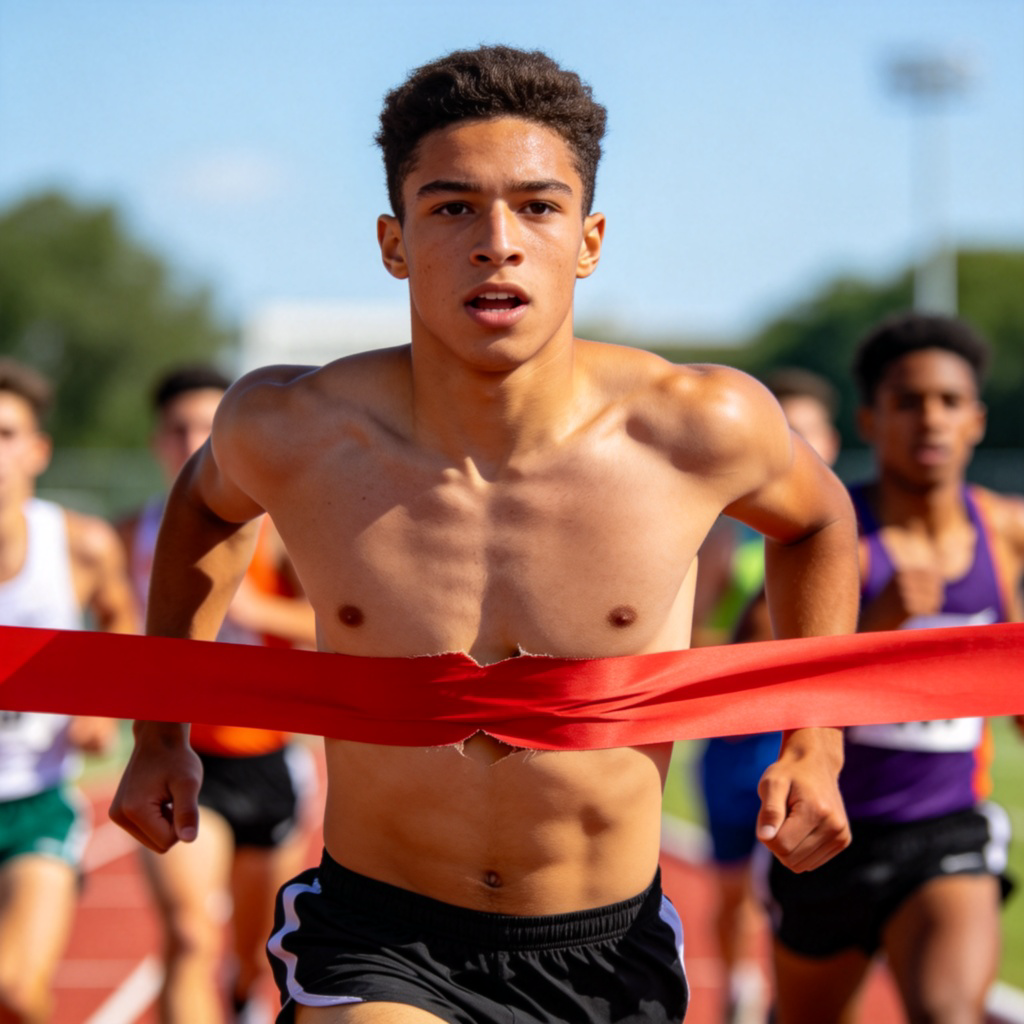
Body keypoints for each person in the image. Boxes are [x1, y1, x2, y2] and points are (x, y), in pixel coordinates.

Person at [111, 45, 861, 1024]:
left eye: (537, 207)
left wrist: (817, 738)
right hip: (381, 934)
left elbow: (821, 522)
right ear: (394, 241)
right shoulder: (293, 427)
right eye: (453, 206)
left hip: (603, 945)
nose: (497, 241)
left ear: (588, 240)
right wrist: (159, 730)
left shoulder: (700, 427)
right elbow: (204, 507)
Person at [768, 312, 1024, 1024]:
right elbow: (769, 669)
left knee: (949, 1014)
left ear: (976, 419)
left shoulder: (1005, 533)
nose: (930, 420)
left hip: (948, 830)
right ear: (872, 420)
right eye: (908, 403)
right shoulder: (834, 543)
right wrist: (877, 623)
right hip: (829, 835)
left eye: (949, 402)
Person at [118, 365, 319, 1024]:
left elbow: (339, 629)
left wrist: (259, 609)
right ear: (157, 441)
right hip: (180, 754)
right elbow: (106, 626)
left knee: (259, 952)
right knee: (186, 936)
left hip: (266, 758)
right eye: (180, 429)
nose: (193, 442)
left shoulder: (282, 531)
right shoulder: (128, 535)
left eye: (209, 427)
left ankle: (241, 997)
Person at [692, 369, 841, 1024]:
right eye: (781, 430)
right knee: (732, 893)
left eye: (805, 431)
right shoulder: (726, 535)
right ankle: (738, 988)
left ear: (831, 441)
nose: (793, 445)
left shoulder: (848, 534)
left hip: (815, 737)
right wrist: (752, 627)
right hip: (735, 743)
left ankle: (794, 997)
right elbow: (692, 640)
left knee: (807, 889)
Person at [0, 358, 136, 1023]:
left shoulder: (79, 544)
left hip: (38, 800)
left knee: (18, 991)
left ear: (37, 450)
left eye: (4, 434)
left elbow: (120, 617)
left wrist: (99, 702)